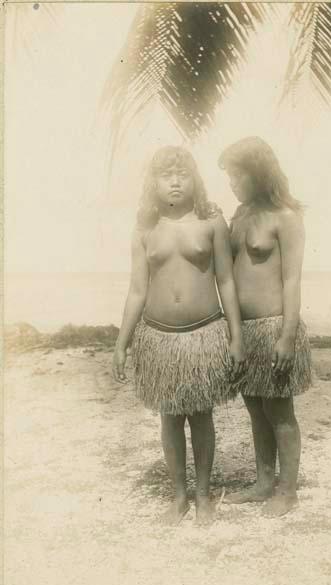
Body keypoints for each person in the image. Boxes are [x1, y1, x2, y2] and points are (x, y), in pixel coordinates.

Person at [112, 146, 245, 526]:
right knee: (169, 418)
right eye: (166, 174)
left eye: (182, 173)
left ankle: (204, 496)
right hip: (158, 338)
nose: (174, 181)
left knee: (201, 417)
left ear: (195, 180)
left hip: (204, 333)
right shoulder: (144, 228)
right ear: (152, 183)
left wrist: (236, 336)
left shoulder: (211, 223)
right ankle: (179, 497)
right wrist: (122, 343)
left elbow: (227, 282)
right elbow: (137, 289)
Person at [218, 136, 312, 516]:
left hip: (274, 327)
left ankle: (287, 490)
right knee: (255, 410)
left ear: (258, 172)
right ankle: (262, 482)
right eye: (229, 177)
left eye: (237, 175)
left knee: (279, 412)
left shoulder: (285, 217)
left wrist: (287, 336)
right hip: (245, 330)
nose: (232, 184)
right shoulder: (239, 216)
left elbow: (292, 280)